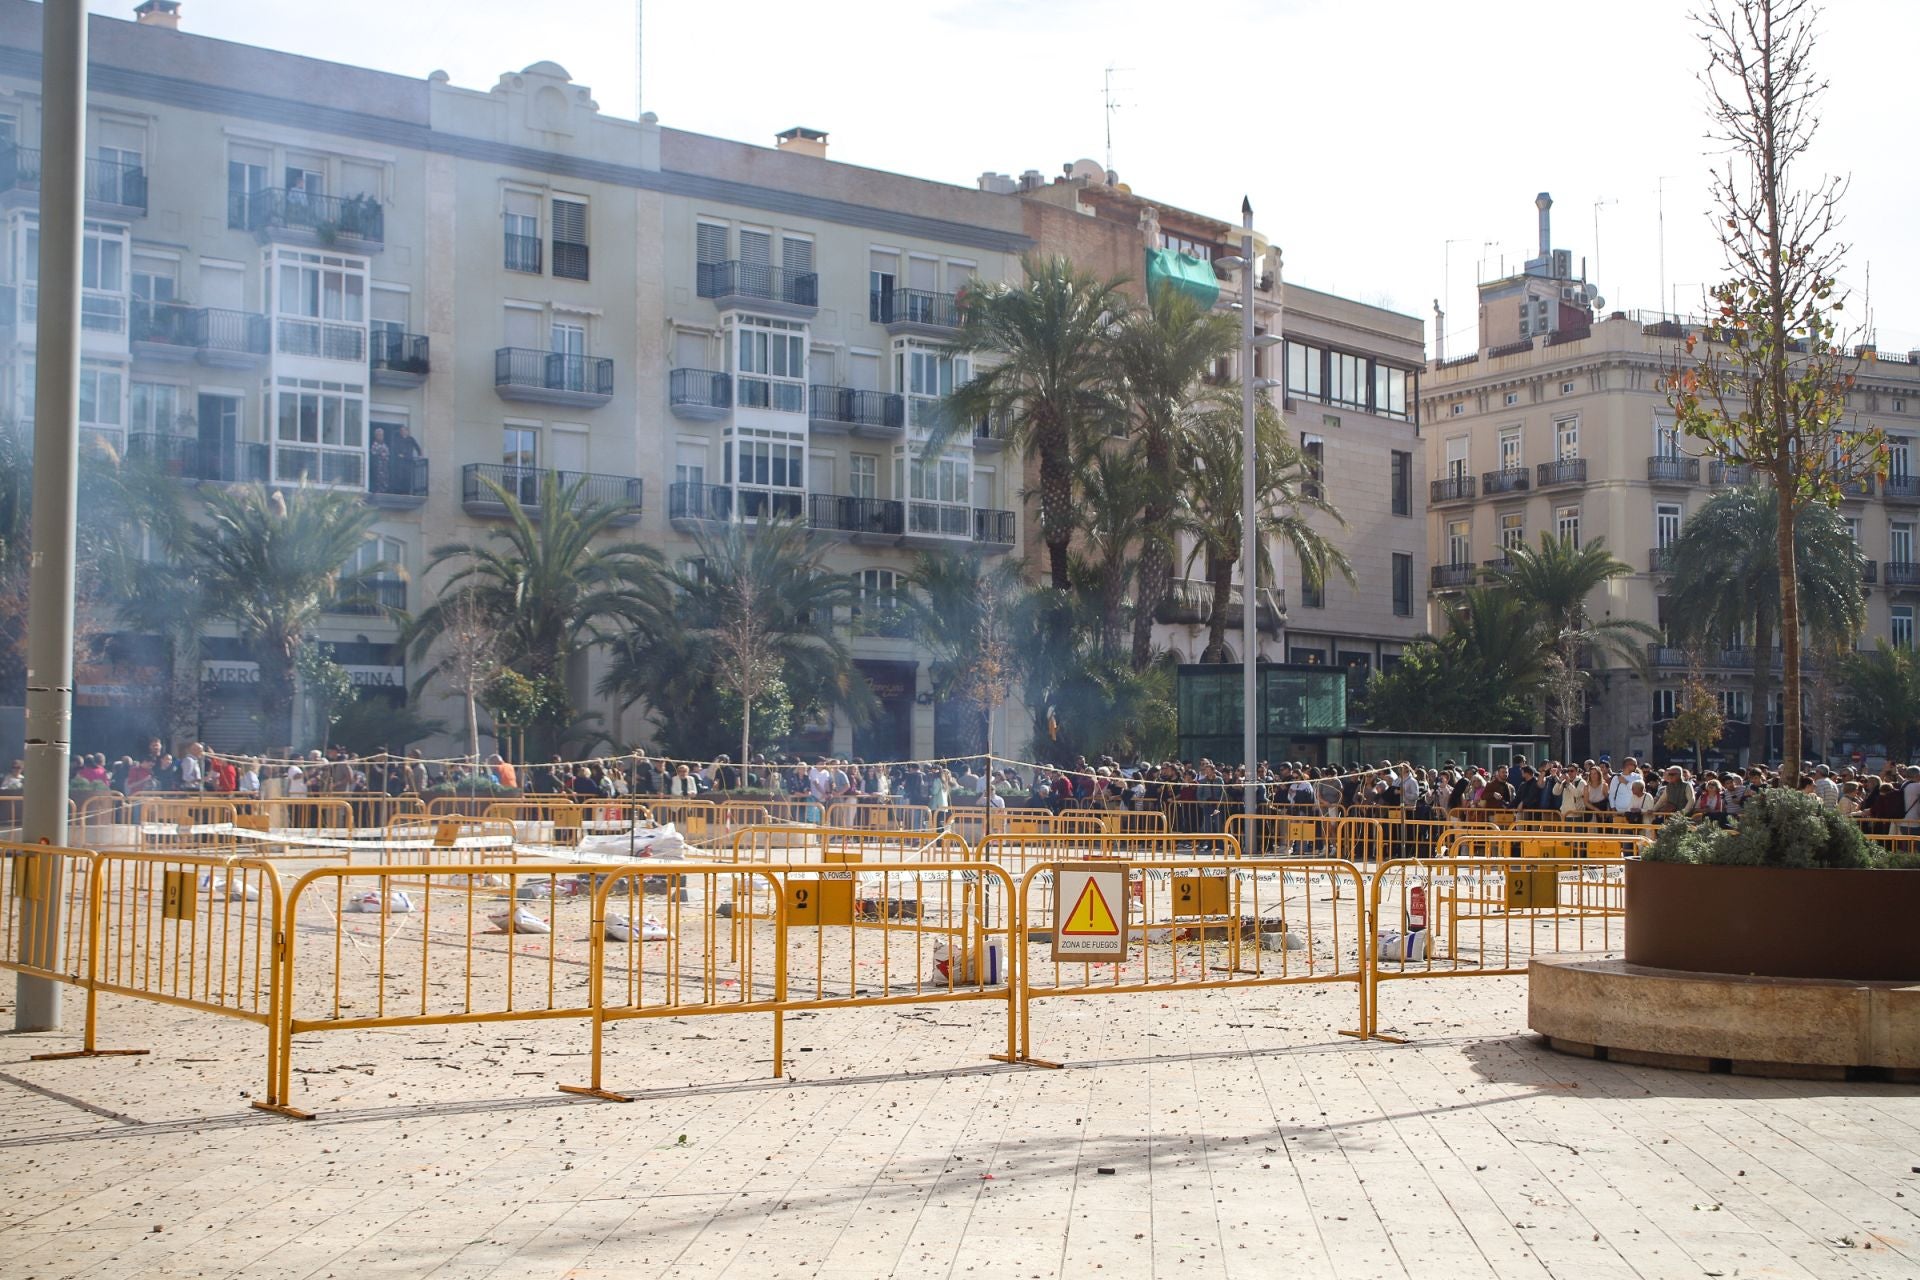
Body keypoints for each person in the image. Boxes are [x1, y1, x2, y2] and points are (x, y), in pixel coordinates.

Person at [369, 426, 390, 494]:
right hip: (377, 466)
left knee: (384, 479)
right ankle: (377, 491)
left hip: (384, 467)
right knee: (377, 479)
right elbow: (373, 452)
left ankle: (383, 490)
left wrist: (385, 455)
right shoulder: (374, 445)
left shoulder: (385, 445)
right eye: (378, 435)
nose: (380, 436)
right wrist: (381, 454)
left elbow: (387, 454)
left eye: (381, 435)